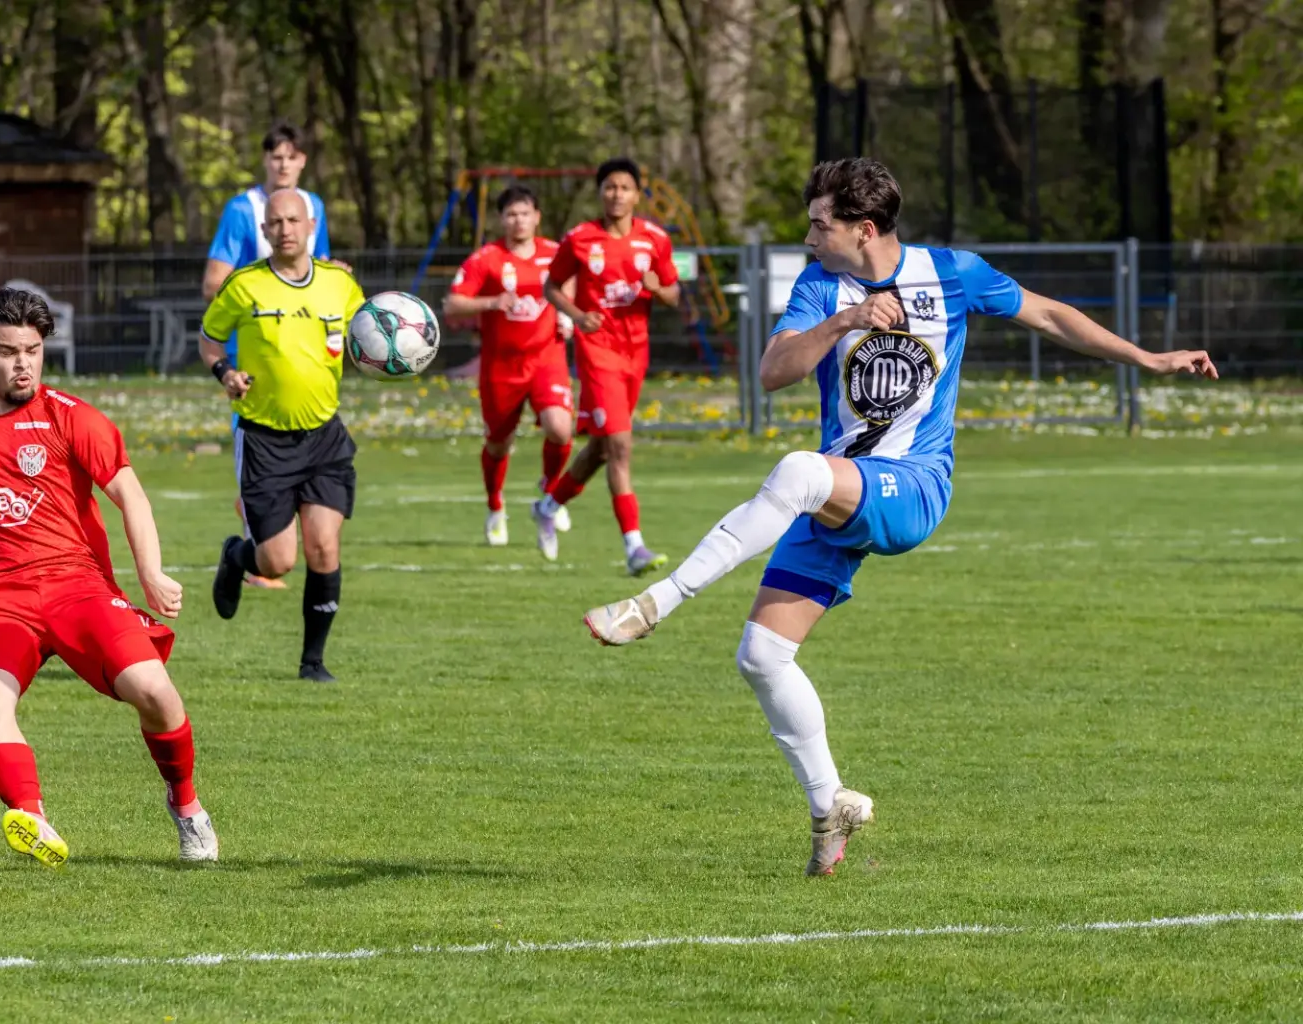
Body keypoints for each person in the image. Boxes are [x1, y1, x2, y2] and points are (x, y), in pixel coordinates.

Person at [583, 157, 1218, 876]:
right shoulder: (822, 285)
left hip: (912, 487)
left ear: (865, 228)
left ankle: (656, 602)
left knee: (796, 471)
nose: (810, 233)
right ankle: (830, 806)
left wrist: (1149, 359)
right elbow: (772, 370)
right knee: (761, 657)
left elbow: (1047, 313)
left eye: (820, 223)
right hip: (841, 489)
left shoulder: (953, 272)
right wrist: (845, 320)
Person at [0, 287, 217, 866]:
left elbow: (130, 497)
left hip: (77, 586)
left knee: (156, 693)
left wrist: (152, 574)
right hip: (0, 596)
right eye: (9, 351)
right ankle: (31, 818)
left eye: (33, 350)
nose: (23, 364)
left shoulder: (71, 416)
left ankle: (186, 806)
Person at [201, 189, 365, 684]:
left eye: (295, 219)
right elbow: (209, 341)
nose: (286, 228)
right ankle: (236, 556)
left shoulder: (339, 284)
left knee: (324, 547)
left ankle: (312, 663)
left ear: (310, 224)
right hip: (264, 440)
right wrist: (226, 372)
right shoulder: (244, 285)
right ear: (266, 231)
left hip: (324, 437)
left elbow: (370, 338)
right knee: (276, 562)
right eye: (276, 221)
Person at [205, 121, 333, 590]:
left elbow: (319, 275)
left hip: (306, 353)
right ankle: (256, 545)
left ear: (302, 161)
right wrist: (259, 294)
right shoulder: (242, 210)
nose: (283, 164)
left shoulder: (313, 207)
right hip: (251, 355)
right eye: (275, 156)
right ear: (266, 161)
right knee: (257, 445)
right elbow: (213, 280)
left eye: (291, 156)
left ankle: (272, 544)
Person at [538, 157, 681, 573]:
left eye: (624, 187)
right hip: (597, 351)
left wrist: (659, 288)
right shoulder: (580, 239)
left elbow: (673, 293)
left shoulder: (654, 239)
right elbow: (551, 286)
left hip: (636, 352)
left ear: (637, 194)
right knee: (620, 445)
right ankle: (635, 548)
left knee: (602, 448)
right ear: (600, 193)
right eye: (609, 187)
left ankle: (548, 506)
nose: (616, 194)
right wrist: (578, 315)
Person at [443, 185, 576, 550]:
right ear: (502, 219)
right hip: (501, 365)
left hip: (546, 358)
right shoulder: (486, 258)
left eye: (525, 213)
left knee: (560, 428)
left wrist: (567, 314)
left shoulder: (555, 253)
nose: (519, 220)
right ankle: (495, 506)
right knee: (499, 445)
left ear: (537, 217)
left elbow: (574, 280)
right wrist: (491, 302)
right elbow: (453, 304)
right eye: (511, 214)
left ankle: (549, 494)